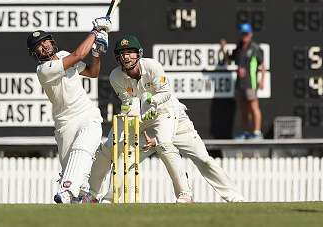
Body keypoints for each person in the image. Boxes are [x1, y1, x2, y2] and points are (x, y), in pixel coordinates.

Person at [88, 35, 245, 203]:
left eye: (130, 52)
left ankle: (228, 197)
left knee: (200, 158)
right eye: (122, 53)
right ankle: (109, 197)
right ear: (117, 57)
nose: (126, 57)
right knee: (125, 156)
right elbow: (129, 102)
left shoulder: (152, 66)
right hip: (142, 119)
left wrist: (152, 102)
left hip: (168, 113)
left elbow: (165, 93)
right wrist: (137, 120)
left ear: (138, 53)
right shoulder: (115, 76)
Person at [27, 17, 110, 204]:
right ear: (35, 53)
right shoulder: (44, 70)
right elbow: (79, 55)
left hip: (87, 114)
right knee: (71, 172)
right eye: (39, 46)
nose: (44, 47)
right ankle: (82, 196)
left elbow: (92, 73)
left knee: (83, 149)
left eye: (46, 41)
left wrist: (96, 53)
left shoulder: (64, 54)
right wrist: (95, 32)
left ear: (52, 41)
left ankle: (66, 191)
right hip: (64, 122)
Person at [220, 22, 266, 140]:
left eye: (246, 34)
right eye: (243, 34)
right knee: (243, 108)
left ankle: (257, 132)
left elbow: (263, 65)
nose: (244, 36)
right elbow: (229, 61)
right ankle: (246, 132)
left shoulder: (255, 48)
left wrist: (262, 80)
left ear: (250, 34)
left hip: (251, 83)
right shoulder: (239, 47)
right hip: (240, 84)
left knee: (254, 106)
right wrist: (223, 49)